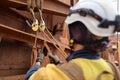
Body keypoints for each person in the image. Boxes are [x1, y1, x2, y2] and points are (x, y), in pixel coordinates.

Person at [25, 0, 120, 80]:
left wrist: (38, 61)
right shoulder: (113, 71)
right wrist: (60, 63)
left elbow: (29, 77)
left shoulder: (51, 75)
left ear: (76, 32)